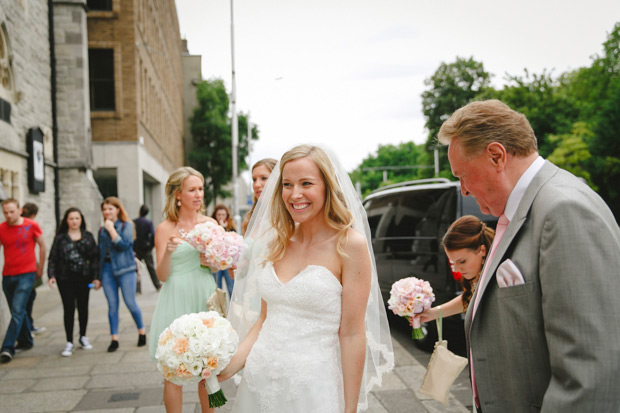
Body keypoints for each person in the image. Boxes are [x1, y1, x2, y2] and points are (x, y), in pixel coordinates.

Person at [439, 99, 620, 412]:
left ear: (496, 156)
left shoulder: (564, 210)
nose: (463, 190)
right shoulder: (521, 212)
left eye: (462, 175)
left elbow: (588, 372)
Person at [221, 145, 394, 412]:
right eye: (287, 184)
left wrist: (350, 409)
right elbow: (265, 320)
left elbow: (351, 334)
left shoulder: (349, 245)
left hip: (313, 389)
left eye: (306, 183)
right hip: (258, 382)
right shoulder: (276, 242)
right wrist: (226, 368)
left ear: (327, 186)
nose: (295, 194)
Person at [148, 166, 217, 412]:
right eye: (192, 190)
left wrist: (212, 262)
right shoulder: (165, 228)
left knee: (207, 370)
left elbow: (217, 265)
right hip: (176, 297)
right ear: (178, 195)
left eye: (200, 189)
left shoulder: (210, 224)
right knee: (173, 371)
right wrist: (167, 252)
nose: (198, 195)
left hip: (203, 294)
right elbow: (162, 275)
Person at [415, 215, 494, 324]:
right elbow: (469, 297)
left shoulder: (500, 276)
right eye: (453, 262)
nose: (457, 269)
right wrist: (433, 313)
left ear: (483, 250)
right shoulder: (479, 274)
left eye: (462, 261)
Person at [48, 207, 99, 356]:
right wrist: (51, 275)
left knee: (83, 307)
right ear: (66, 221)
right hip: (65, 279)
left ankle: (83, 336)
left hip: (84, 278)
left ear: (81, 219)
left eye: (77, 218)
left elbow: (95, 258)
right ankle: (69, 341)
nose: (74, 221)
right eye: (71, 218)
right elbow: (53, 258)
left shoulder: (88, 236)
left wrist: (96, 277)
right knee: (68, 308)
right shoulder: (60, 238)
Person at [0, 199, 46, 363]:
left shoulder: (31, 225)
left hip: (26, 274)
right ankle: (26, 340)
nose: (8, 215)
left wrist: (40, 268)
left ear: (19, 210)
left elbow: (42, 245)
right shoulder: (2, 228)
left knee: (18, 310)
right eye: (5, 212)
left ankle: (7, 347)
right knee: (18, 311)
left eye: (12, 211)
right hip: (8, 275)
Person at [98, 197, 146, 352]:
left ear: (118, 209)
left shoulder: (127, 225)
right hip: (107, 270)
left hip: (126, 269)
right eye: (105, 209)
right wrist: (97, 276)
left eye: (110, 209)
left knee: (130, 302)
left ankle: (141, 331)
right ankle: (114, 338)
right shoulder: (101, 229)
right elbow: (100, 254)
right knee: (112, 305)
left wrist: (112, 229)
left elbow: (124, 246)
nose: (107, 212)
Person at [21, 203, 46, 335]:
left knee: (29, 298)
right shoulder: (29, 225)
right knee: (25, 301)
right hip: (25, 268)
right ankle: (27, 327)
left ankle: (29, 326)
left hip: (29, 266)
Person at [241, 158, 277, 234]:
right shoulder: (249, 220)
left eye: (263, 178)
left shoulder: (291, 217)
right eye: (254, 180)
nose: (256, 185)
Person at [133, 205, 161, 292]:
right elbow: (153, 235)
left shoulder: (134, 222)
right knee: (151, 267)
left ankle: (137, 289)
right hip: (146, 248)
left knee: (137, 268)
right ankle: (157, 285)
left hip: (136, 248)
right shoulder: (148, 222)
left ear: (139, 211)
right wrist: (151, 246)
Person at [211, 204, 236, 294]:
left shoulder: (231, 227)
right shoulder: (212, 227)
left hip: (228, 262)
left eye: (223, 214)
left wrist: (224, 228)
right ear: (215, 215)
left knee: (231, 288)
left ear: (227, 215)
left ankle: (232, 307)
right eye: (219, 215)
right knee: (217, 288)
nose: (221, 217)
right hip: (216, 262)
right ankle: (219, 308)